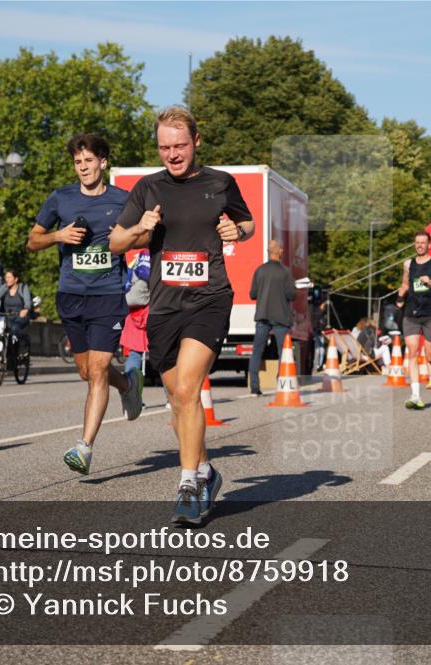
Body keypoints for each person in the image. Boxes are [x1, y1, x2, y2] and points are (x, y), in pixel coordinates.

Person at [110, 105, 254, 525]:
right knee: (178, 402)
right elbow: (117, 241)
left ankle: (188, 483)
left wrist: (237, 232)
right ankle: (207, 471)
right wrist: (141, 230)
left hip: (210, 298)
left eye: (180, 146)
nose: (172, 154)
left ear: (196, 143)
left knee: (190, 388)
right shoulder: (148, 188)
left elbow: (245, 224)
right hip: (165, 306)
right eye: (164, 147)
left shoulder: (220, 182)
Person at [27, 132, 140, 476]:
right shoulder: (61, 199)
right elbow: (32, 241)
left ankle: (84, 447)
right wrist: (58, 236)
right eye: (78, 162)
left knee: (97, 370)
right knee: (86, 371)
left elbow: (145, 235)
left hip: (107, 296)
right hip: (71, 295)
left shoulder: (123, 199)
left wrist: (131, 237)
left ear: (103, 162)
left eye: (89, 161)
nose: (83, 167)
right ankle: (128, 385)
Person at [396, 230, 431, 409]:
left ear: (429, 245)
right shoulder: (408, 264)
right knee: (412, 352)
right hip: (411, 313)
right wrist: (400, 297)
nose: (419, 245)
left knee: (429, 355)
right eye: (417, 242)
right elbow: (405, 283)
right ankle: (415, 395)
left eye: (423, 242)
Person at [248, 240, 295, 396]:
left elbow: (253, 294)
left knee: (257, 351)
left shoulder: (259, 270)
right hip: (281, 317)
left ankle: (255, 387)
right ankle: (282, 383)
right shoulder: (285, 271)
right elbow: (291, 294)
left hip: (262, 315)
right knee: (284, 352)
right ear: (280, 251)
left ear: (269, 251)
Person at [120, 248, 151, 419]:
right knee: (164, 355)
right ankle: (171, 399)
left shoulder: (135, 263)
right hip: (149, 312)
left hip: (132, 314)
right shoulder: (154, 259)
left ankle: (131, 396)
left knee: (134, 355)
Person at [0, 269, 32, 352]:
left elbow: (27, 300)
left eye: (9, 277)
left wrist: (26, 309)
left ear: (16, 279)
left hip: (21, 316)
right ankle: (1, 353)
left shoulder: (23, 287)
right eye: (6, 277)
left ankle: (25, 340)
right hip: (8, 315)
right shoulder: (5, 287)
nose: (7, 279)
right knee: (4, 331)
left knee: (15, 328)